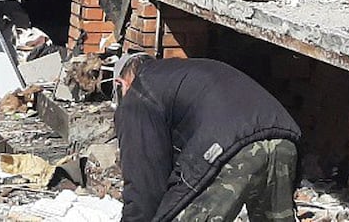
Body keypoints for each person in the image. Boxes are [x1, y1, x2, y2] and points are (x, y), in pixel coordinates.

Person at [114, 54, 300, 222]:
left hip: (232, 145)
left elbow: (144, 185)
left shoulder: (139, 93)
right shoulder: (180, 74)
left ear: (120, 83)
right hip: (283, 138)